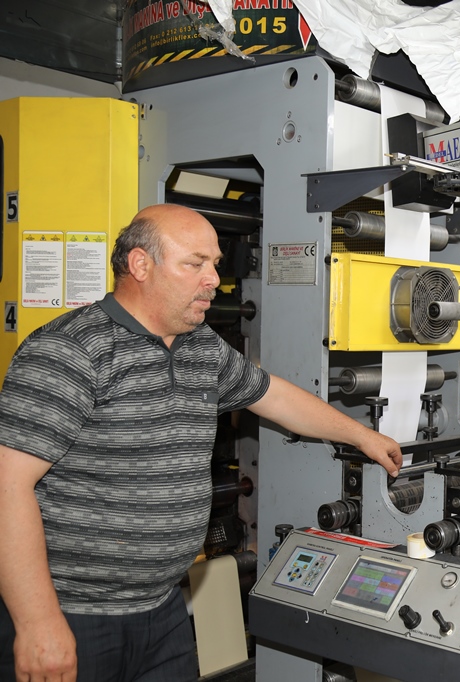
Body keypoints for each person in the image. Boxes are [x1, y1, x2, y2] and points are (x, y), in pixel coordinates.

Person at [0, 204, 403, 682]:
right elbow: (7, 488)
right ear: (140, 265)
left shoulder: (200, 346)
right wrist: (37, 622)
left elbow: (273, 396)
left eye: (214, 263)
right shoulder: (71, 350)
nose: (212, 279)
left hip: (163, 608)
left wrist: (363, 436)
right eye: (195, 264)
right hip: (73, 613)